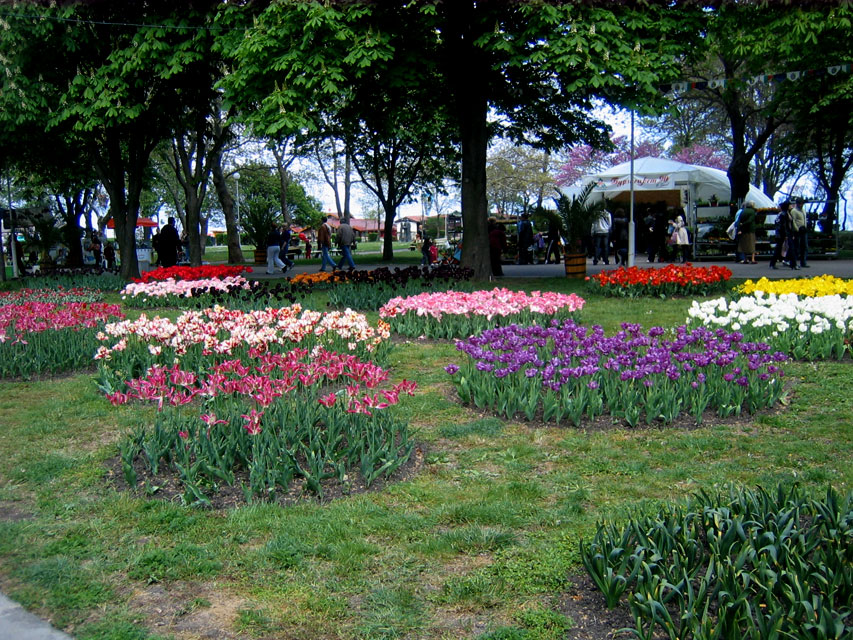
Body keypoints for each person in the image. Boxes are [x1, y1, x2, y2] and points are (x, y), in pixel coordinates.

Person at [769, 201, 791, 270]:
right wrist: (786, 234)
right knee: (779, 248)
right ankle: (773, 263)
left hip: (778, 233)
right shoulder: (784, 214)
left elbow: (777, 223)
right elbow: (784, 225)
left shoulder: (780, 214)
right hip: (782, 233)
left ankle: (772, 263)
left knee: (778, 248)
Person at [790, 197, 809, 269]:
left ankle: (803, 262)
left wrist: (805, 226)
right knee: (796, 247)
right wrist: (797, 229)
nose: (802, 205)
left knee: (804, 246)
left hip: (803, 230)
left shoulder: (803, 210)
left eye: (802, 203)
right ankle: (794, 262)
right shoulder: (794, 211)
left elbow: (804, 219)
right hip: (798, 231)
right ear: (797, 204)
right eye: (800, 203)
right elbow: (793, 221)